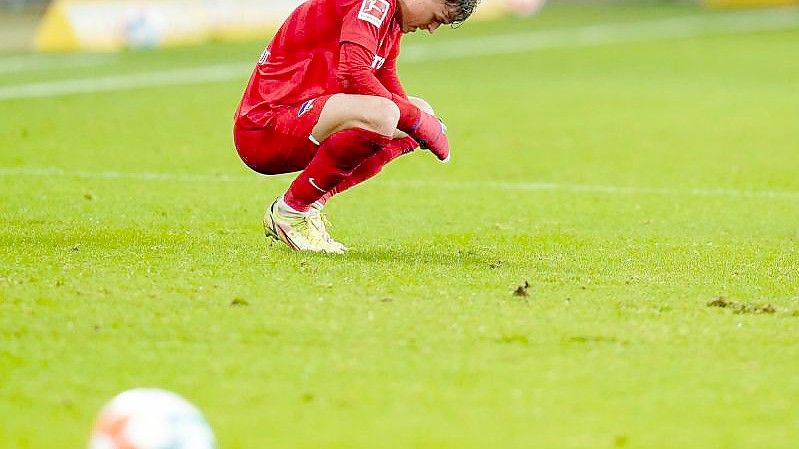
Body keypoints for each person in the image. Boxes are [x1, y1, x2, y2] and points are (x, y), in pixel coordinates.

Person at [233, 0, 479, 253]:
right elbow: (353, 73)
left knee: (417, 110)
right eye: (438, 17)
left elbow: (385, 77)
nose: (432, 28)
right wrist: (416, 122)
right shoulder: (374, 3)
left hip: (302, 123)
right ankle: (291, 213)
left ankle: (308, 207)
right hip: (265, 128)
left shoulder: (391, 18)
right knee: (385, 114)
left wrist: (418, 121)